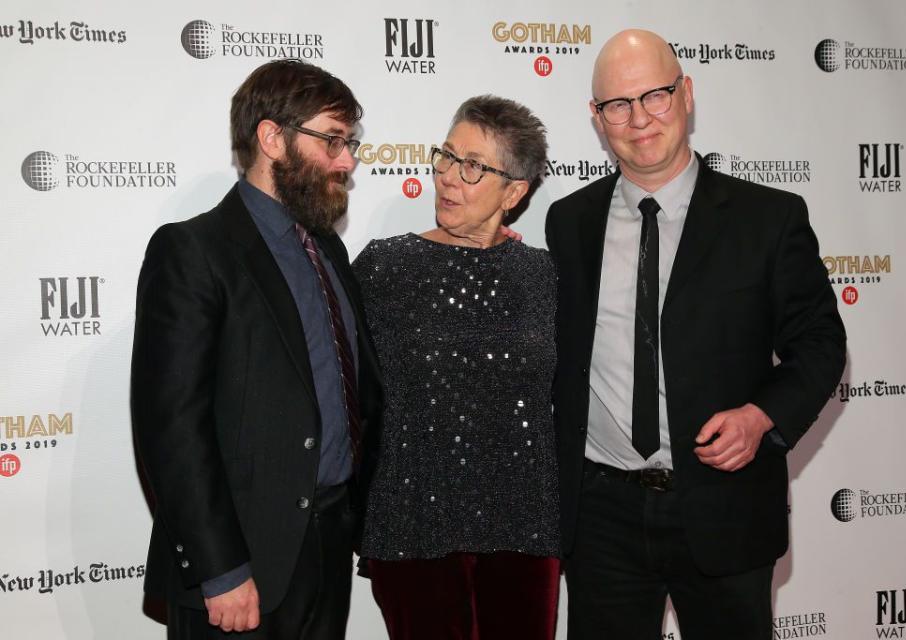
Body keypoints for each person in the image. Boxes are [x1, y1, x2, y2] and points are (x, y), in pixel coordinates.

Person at [545, 30, 846, 640]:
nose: (638, 119)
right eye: (617, 106)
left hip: (723, 504)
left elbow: (820, 344)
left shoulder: (769, 219)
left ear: (686, 94)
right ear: (596, 119)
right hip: (601, 515)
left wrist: (762, 415)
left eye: (654, 96)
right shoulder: (569, 221)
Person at [131, 59, 382, 639]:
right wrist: (220, 570)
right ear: (272, 138)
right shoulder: (194, 250)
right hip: (241, 567)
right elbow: (172, 429)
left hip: (326, 548)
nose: (346, 161)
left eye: (351, 144)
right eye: (332, 140)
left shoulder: (328, 252)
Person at [352, 95, 560, 640]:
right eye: (446, 156)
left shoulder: (543, 276)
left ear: (514, 192)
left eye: (473, 167)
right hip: (413, 521)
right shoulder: (384, 266)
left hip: (525, 525)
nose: (448, 177)